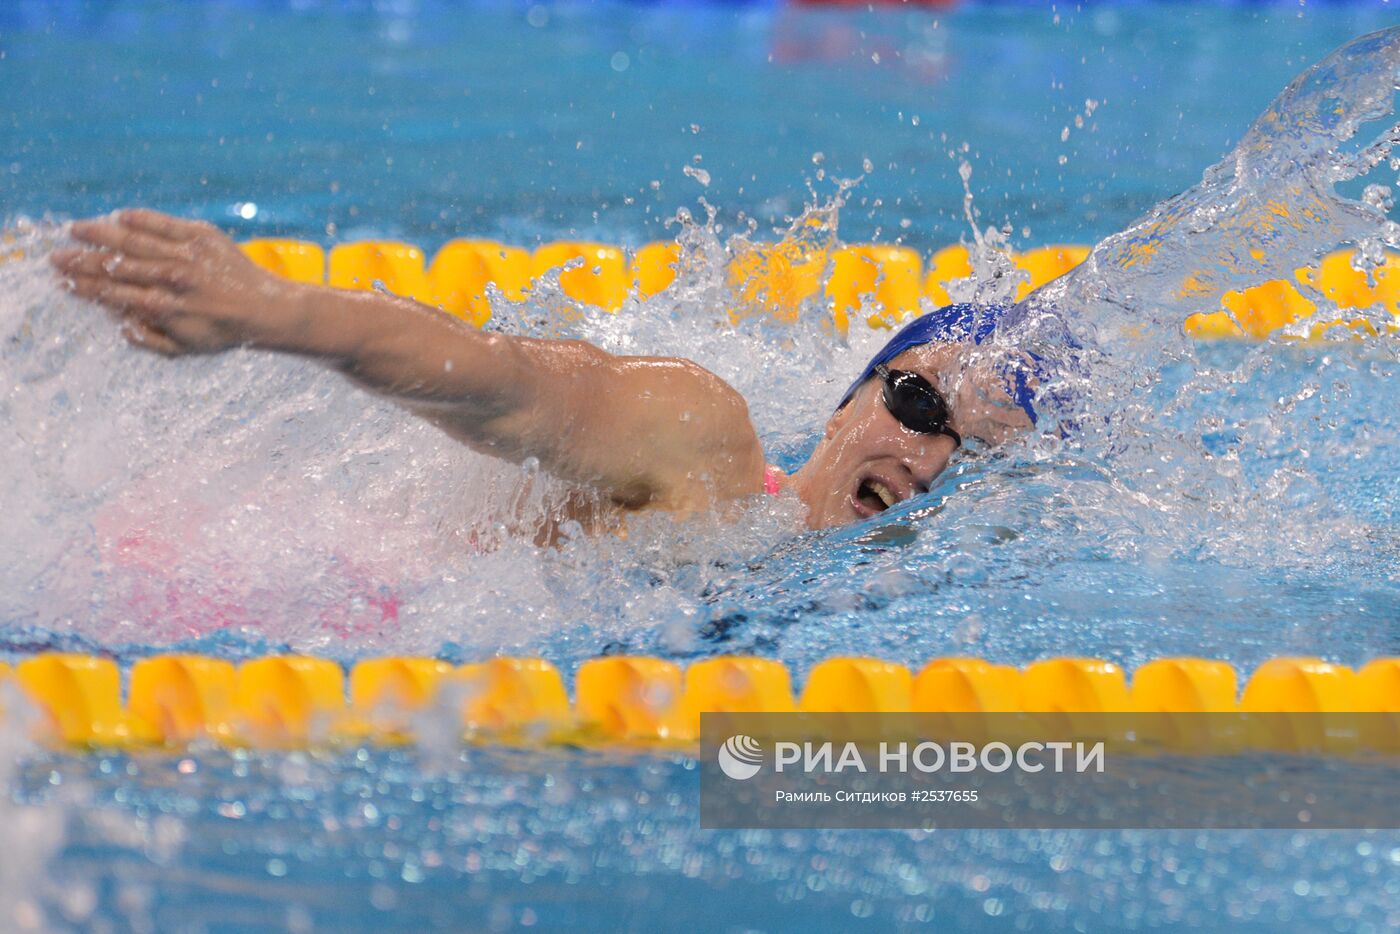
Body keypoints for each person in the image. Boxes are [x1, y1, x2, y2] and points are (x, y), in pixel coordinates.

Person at [50, 209, 1036, 533]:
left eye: (972, 450)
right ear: (845, 401)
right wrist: (281, 310)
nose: (927, 457)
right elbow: (501, 381)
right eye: (915, 401)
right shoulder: (707, 448)